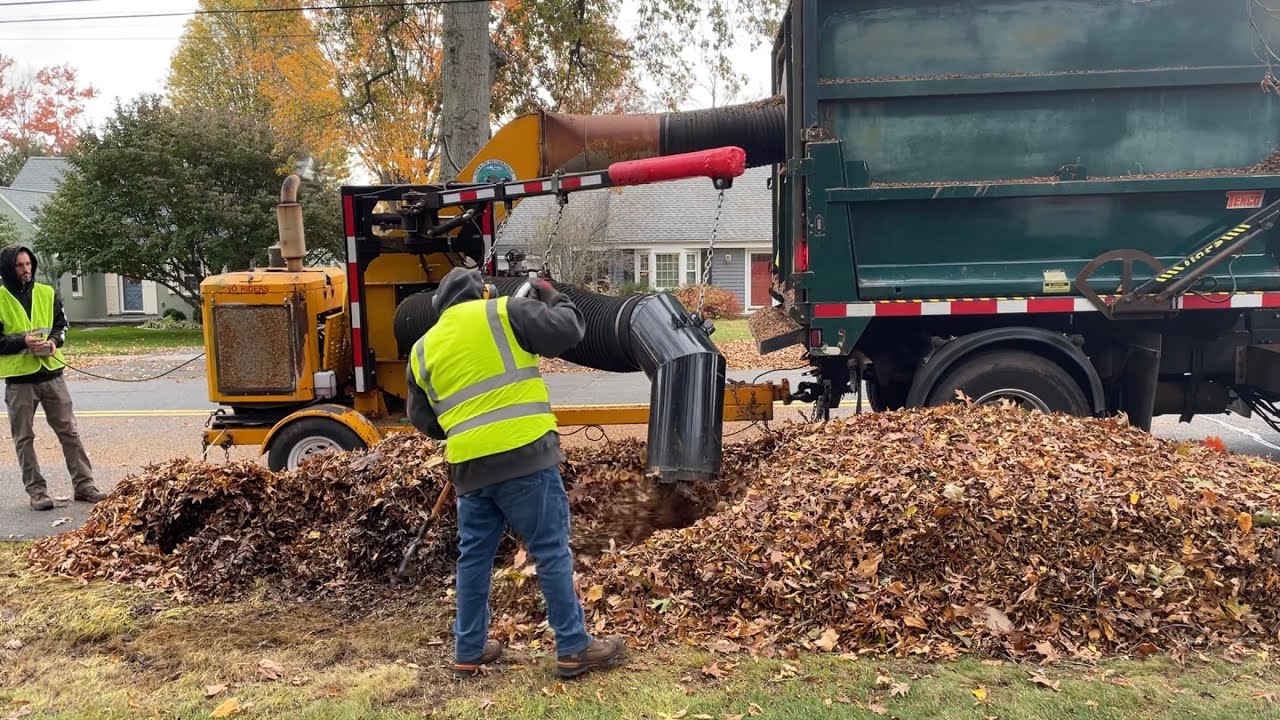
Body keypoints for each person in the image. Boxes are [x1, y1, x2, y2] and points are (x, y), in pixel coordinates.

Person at [406, 267, 625, 679]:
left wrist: (467, 425)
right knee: (550, 550)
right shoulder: (504, 311)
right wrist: (548, 291)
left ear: (440, 307)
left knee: (474, 559)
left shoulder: (422, 349)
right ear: (482, 292)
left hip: (469, 470)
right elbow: (570, 330)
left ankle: (468, 650)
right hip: (526, 458)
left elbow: (427, 421)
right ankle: (573, 646)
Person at [0, 244, 104, 511]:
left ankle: (84, 486)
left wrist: (55, 342)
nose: (26, 270)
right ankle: (37, 492)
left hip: (51, 373)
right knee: (24, 438)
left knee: (69, 431)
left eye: (29, 264)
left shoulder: (47, 293)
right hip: (19, 380)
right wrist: (22, 341)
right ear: (8, 269)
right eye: (20, 266)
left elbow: (62, 325)